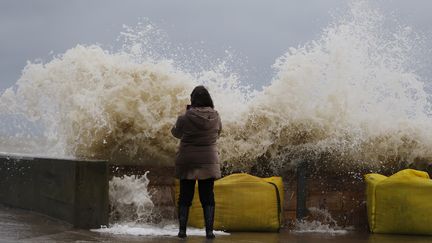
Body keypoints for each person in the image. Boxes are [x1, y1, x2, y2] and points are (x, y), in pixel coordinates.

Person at [171, 85, 222, 239]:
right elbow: (218, 132)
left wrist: (186, 116)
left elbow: (176, 133)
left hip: (188, 160)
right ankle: (209, 232)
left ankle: (182, 231)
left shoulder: (185, 117)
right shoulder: (216, 116)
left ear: (192, 100)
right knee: (207, 196)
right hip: (209, 160)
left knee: (185, 196)